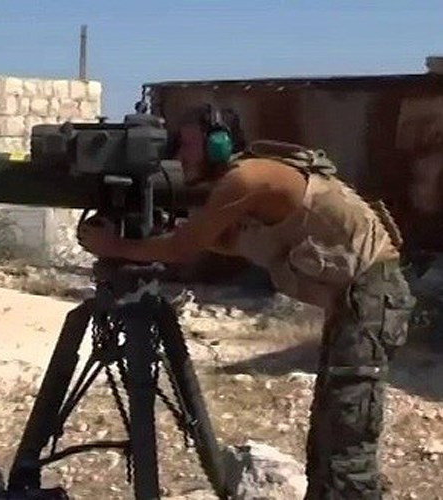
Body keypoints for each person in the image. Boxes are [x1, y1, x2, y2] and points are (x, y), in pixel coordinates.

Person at [77, 103, 416, 499]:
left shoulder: (246, 179)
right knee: (328, 431)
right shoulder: (242, 183)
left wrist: (113, 245)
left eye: (187, 145)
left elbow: (183, 248)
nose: (179, 156)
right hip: (356, 303)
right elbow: (224, 241)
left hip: (370, 300)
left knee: (347, 433)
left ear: (218, 144)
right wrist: (163, 232)